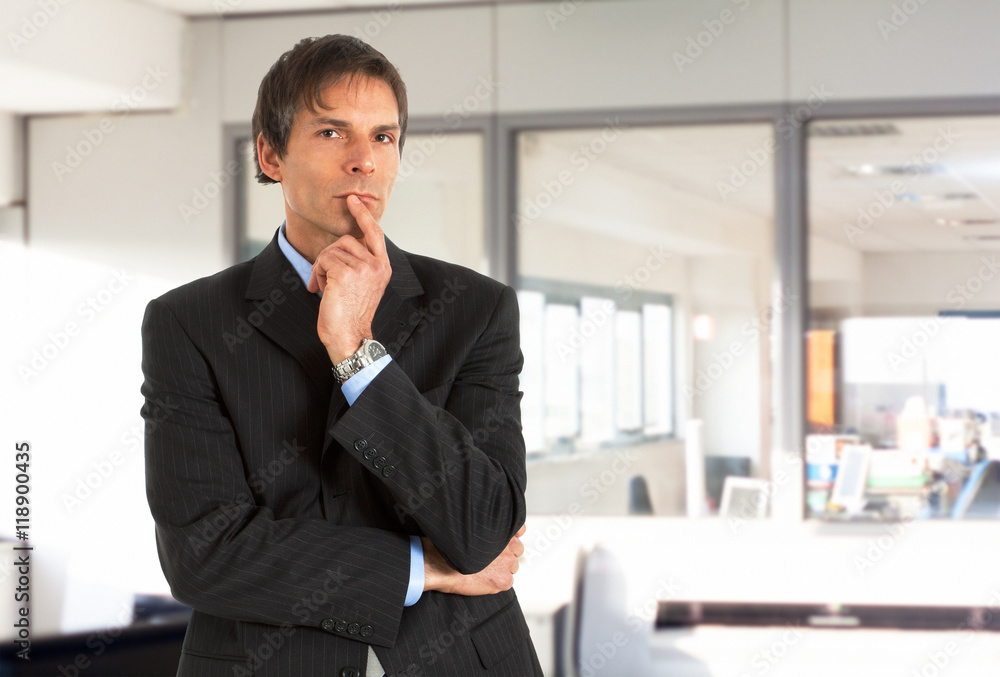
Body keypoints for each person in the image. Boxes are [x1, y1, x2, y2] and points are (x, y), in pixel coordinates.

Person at [140, 34, 541, 677]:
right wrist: (423, 567)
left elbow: (484, 525)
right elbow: (204, 555)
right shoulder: (189, 323)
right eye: (332, 133)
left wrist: (357, 353)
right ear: (270, 155)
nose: (364, 161)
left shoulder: (476, 310)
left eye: (383, 137)